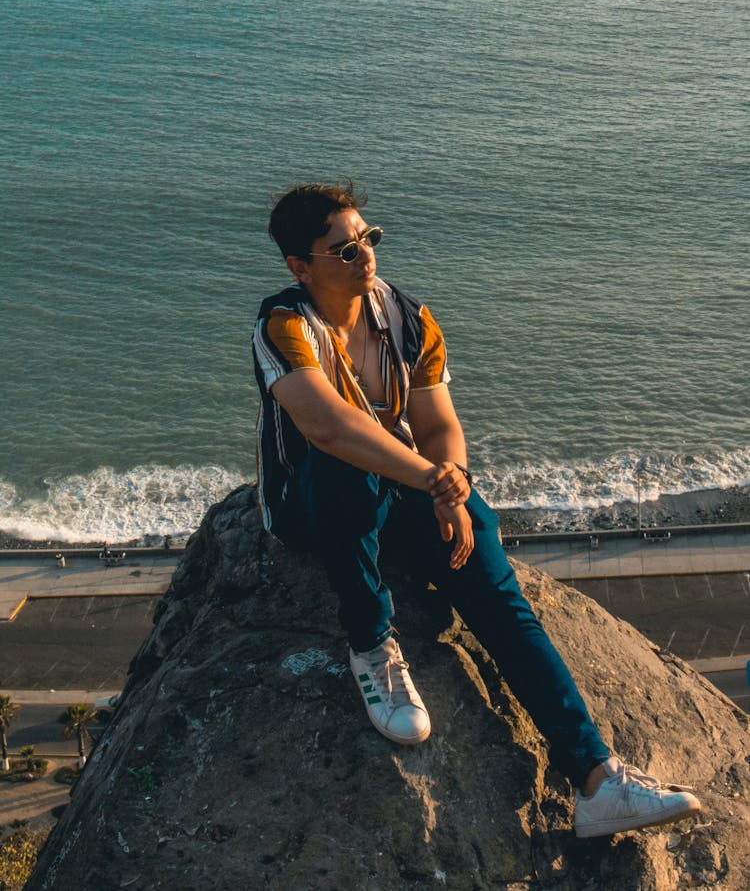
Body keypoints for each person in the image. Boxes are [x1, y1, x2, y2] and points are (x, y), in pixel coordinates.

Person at [252, 181, 700, 839]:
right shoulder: (283, 324)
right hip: (312, 502)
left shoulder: (407, 318)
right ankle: (373, 645)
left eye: (367, 240)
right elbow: (328, 427)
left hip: (404, 487)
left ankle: (598, 781)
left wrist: (451, 485)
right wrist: (434, 480)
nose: (363, 257)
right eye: (342, 250)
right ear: (299, 265)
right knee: (352, 463)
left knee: (495, 587)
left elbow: (438, 424)